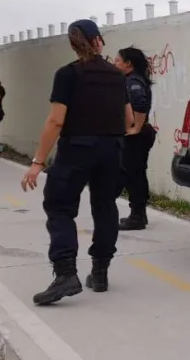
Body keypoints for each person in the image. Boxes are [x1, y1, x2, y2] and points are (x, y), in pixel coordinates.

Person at [21, 19, 136, 306]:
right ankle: (100, 273)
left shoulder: (68, 74)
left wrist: (38, 162)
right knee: (105, 206)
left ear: (73, 43)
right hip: (112, 149)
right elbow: (130, 120)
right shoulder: (117, 76)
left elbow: (57, 119)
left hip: (77, 149)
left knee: (60, 207)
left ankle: (65, 274)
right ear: (98, 40)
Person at [114, 47, 156, 230]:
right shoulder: (131, 80)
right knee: (135, 174)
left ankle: (137, 216)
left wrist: (136, 128)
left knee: (134, 176)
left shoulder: (133, 82)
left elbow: (139, 102)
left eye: (117, 60)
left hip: (136, 136)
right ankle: (139, 214)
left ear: (128, 63)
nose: (115, 63)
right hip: (137, 135)